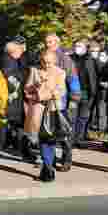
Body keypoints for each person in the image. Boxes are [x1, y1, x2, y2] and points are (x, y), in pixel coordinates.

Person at [25, 49, 69, 182]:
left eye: (49, 62)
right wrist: (36, 86)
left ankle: (48, 168)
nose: (46, 65)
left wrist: (44, 95)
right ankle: (48, 167)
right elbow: (27, 89)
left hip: (52, 109)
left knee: (51, 138)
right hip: (38, 109)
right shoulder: (34, 70)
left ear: (54, 61)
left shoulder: (60, 72)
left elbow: (60, 90)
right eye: (44, 62)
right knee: (43, 138)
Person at [43, 33, 79, 170]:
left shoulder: (65, 60)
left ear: (57, 43)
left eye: (51, 42)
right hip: (46, 102)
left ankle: (67, 160)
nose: (48, 44)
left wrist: (74, 99)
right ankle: (49, 160)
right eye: (47, 42)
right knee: (48, 132)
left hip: (62, 102)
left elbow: (73, 79)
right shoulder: (43, 56)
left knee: (65, 132)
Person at [0, 37, 30, 161]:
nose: (21, 53)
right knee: (18, 124)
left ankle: (19, 147)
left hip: (15, 99)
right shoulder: (8, 61)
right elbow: (11, 79)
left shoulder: (12, 60)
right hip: (14, 98)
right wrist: (25, 76)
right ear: (13, 51)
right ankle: (21, 149)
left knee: (17, 124)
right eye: (20, 50)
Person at [71, 40, 99, 144]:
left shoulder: (91, 59)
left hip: (86, 92)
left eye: (80, 46)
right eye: (76, 46)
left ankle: (79, 138)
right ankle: (71, 139)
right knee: (72, 117)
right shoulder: (70, 59)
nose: (77, 48)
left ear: (86, 48)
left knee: (83, 117)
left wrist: (94, 91)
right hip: (73, 92)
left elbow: (97, 74)